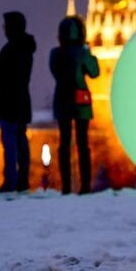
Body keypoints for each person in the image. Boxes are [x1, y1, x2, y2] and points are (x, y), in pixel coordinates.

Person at [50, 16, 99, 195]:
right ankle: (85, 186)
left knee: (64, 144)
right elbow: (94, 72)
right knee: (82, 143)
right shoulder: (82, 53)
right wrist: (87, 53)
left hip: (62, 99)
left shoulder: (55, 54)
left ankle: (66, 186)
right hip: (81, 101)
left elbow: (55, 72)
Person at [0, 11, 35, 193]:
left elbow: (4, 78)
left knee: (11, 144)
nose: (4, 28)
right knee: (21, 142)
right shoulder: (25, 47)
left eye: (6, 25)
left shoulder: (12, 48)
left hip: (9, 104)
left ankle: (11, 181)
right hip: (21, 102)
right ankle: (21, 180)